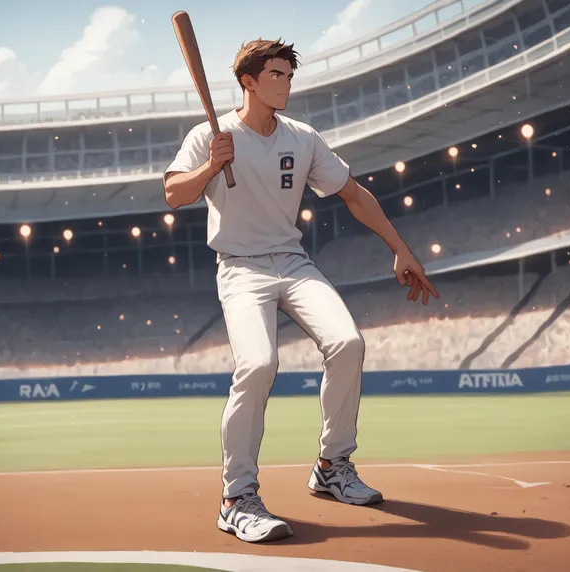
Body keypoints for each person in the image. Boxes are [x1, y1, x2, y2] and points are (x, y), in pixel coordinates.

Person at [163, 38, 440, 544]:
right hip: (241, 268)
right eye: (275, 75)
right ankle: (236, 498)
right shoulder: (210, 134)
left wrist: (401, 249)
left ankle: (333, 467)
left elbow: (354, 194)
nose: (285, 83)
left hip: (292, 262)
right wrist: (210, 167)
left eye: (289, 75)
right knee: (258, 364)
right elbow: (173, 193)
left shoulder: (303, 138)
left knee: (348, 343)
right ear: (248, 81)